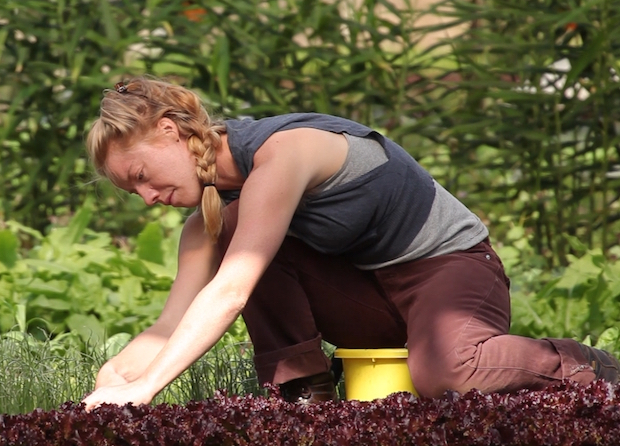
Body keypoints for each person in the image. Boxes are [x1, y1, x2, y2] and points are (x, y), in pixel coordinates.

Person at [80, 76, 620, 410]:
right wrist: (119, 376)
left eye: (143, 175)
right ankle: (303, 398)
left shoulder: (282, 152)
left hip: (449, 270)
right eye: (134, 191)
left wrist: (147, 388)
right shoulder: (209, 215)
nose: (147, 196)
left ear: (172, 130)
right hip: (370, 292)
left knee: (450, 373)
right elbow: (170, 322)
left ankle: (594, 367)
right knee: (229, 230)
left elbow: (230, 293)